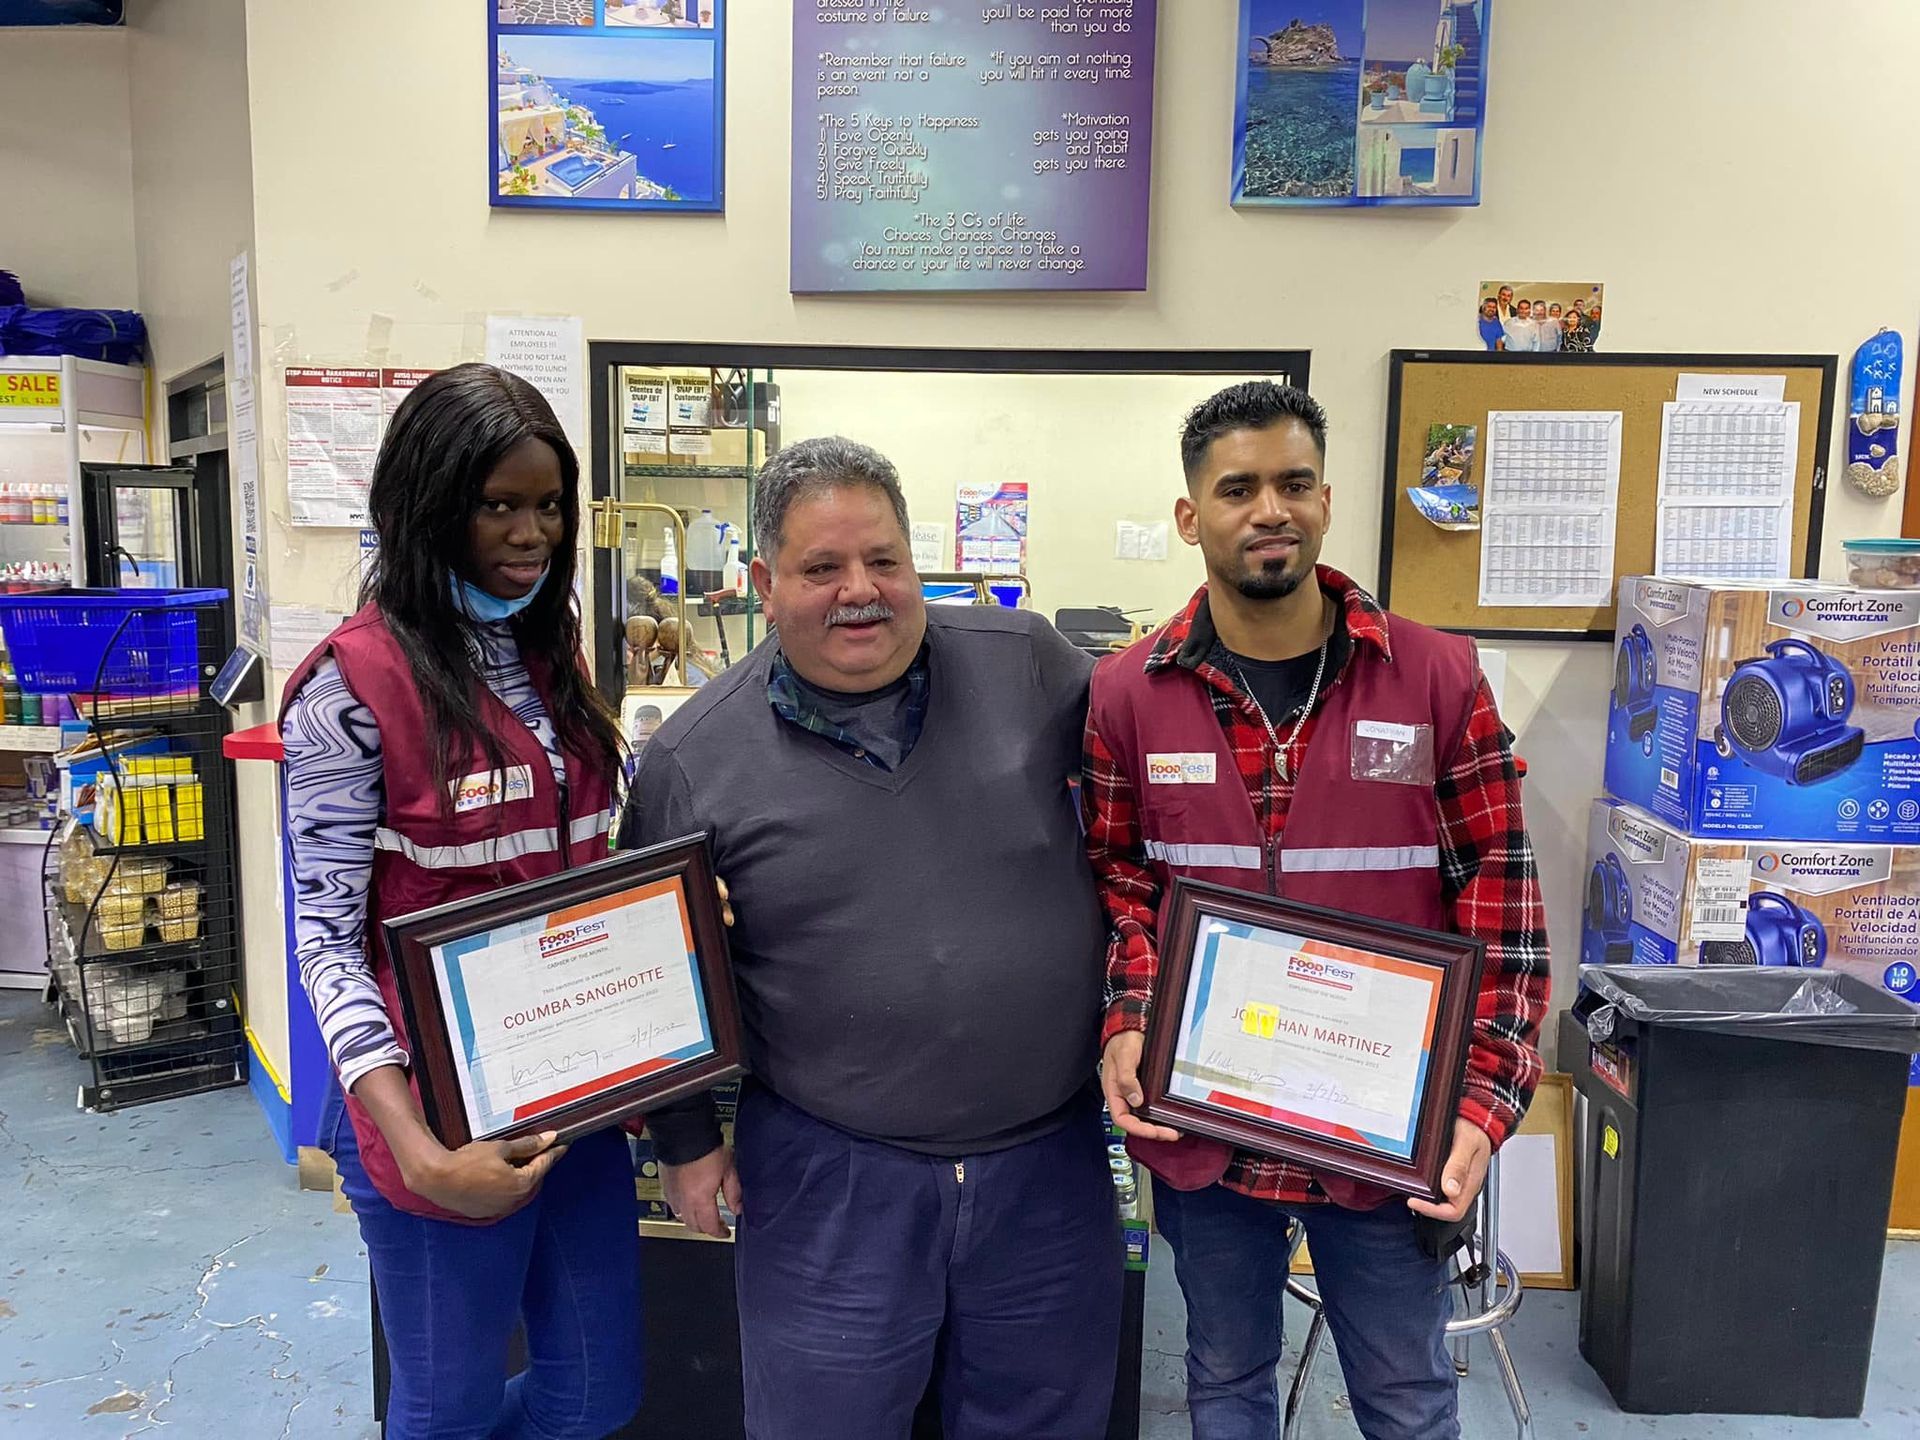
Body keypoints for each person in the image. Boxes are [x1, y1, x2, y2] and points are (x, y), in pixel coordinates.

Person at [620, 436, 1122, 1439]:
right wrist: (686, 1142)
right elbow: (651, 968)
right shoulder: (691, 761)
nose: (861, 591)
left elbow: (1155, 778)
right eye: (822, 568)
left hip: (1047, 1172)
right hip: (831, 1180)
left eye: (883, 560)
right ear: (764, 583)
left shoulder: (1029, 666)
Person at [1084, 382, 1549, 1440]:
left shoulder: (1435, 677)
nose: (1270, 510)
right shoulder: (1127, 694)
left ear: (1327, 501)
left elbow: (1504, 909)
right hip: (1209, 1135)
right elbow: (1121, 884)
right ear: (1190, 516)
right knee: (1224, 1382)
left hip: (1385, 1136)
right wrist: (1127, 1017)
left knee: (1406, 1401)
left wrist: (1482, 1107)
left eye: (1294, 484)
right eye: (1237, 489)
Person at [281, 364, 640, 1440]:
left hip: (570, 1097)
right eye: (497, 505)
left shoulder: (551, 656)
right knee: (448, 1413)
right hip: (433, 1116)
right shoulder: (350, 689)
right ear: (427, 504)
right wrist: (421, 1150)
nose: (530, 535)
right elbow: (325, 938)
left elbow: (575, 866)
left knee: (595, 1396)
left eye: (548, 505)